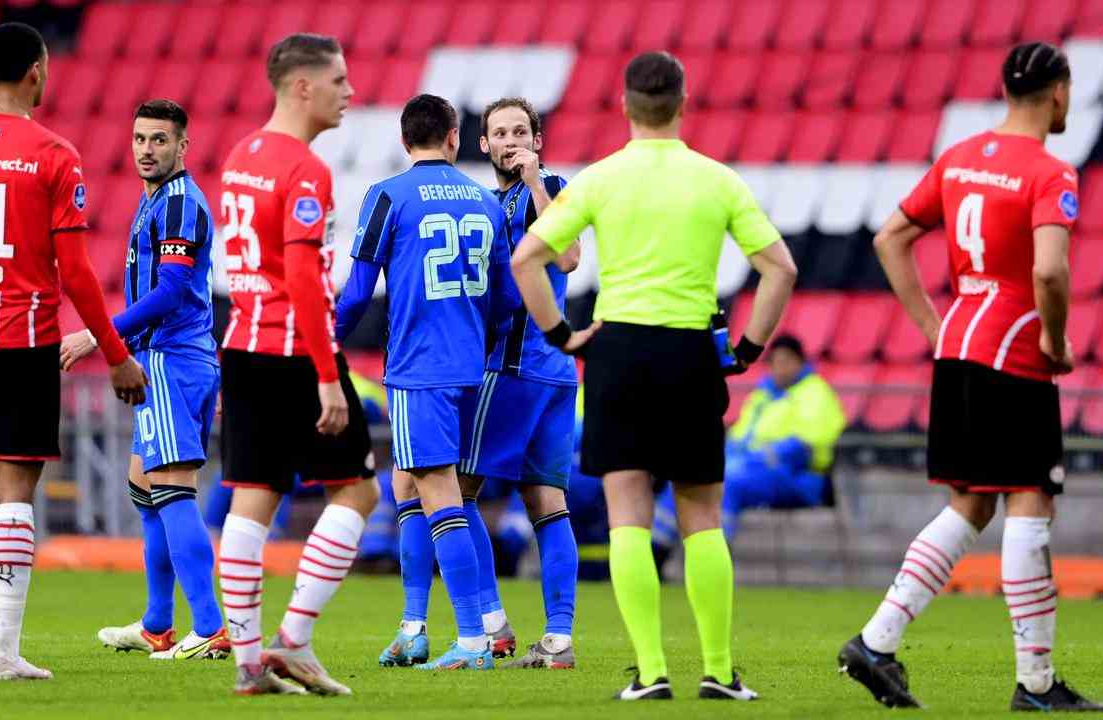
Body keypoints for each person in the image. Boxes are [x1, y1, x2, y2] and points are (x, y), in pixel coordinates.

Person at [510, 51, 797, 700]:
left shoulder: (601, 179)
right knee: (701, 516)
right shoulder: (716, 180)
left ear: (625, 105)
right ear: (683, 102)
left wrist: (562, 335)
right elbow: (780, 268)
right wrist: (747, 350)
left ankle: (650, 674)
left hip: (619, 352)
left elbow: (530, 257)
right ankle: (720, 674)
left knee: (628, 518)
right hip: (692, 352)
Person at [837, 42, 1103, 713]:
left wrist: (935, 329)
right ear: (1058, 92)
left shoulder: (961, 158)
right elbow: (1049, 271)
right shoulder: (1052, 173)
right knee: (1030, 502)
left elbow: (889, 238)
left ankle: (877, 642)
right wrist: (1052, 338)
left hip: (960, 343)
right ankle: (1037, 686)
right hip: (1014, 351)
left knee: (972, 501)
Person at [0, 22, 147, 681]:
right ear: (37, 72)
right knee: (15, 490)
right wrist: (115, 353)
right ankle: (4, 655)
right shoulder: (54, 154)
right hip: (24, 338)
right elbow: (74, 272)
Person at [376, 97, 581, 670]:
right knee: (545, 501)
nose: (512, 140)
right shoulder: (486, 205)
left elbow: (567, 257)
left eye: (523, 131)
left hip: (513, 369)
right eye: (500, 133)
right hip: (553, 372)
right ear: (481, 145)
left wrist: (538, 181)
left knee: (442, 489)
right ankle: (556, 641)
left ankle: (487, 626)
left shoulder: (552, 187)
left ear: (537, 140)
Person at [213, 33, 376, 697]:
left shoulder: (241, 154)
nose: (350, 92)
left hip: (243, 343)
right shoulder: (305, 170)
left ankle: (250, 663)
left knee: (250, 506)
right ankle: (294, 639)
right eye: (339, 80)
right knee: (359, 491)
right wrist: (329, 376)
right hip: (292, 352)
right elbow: (306, 280)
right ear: (303, 86)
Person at [336, 93, 515, 671]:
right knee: (408, 487)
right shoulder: (486, 202)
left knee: (439, 495)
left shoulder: (388, 196)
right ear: (454, 136)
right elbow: (508, 299)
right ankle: (414, 628)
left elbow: (360, 292)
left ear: (404, 138)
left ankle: (471, 640)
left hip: (418, 369)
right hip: (472, 369)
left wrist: (322, 339)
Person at [60, 100, 229, 664]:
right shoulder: (155, 198)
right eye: (139, 139)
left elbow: (174, 290)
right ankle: (158, 623)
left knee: (173, 488)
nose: (147, 150)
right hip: (176, 358)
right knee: (146, 489)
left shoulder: (179, 202)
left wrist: (98, 336)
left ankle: (209, 627)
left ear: (184, 146)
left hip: (174, 362)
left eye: (160, 140)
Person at [720, 335, 846, 539]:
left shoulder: (815, 391)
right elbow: (739, 437)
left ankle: (718, 554)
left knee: (729, 482)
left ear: (800, 362)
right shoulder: (763, 393)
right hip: (756, 470)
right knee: (696, 480)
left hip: (800, 478)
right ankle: (659, 550)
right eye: (775, 362)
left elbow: (805, 445)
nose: (780, 368)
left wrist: (754, 460)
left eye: (786, 361)